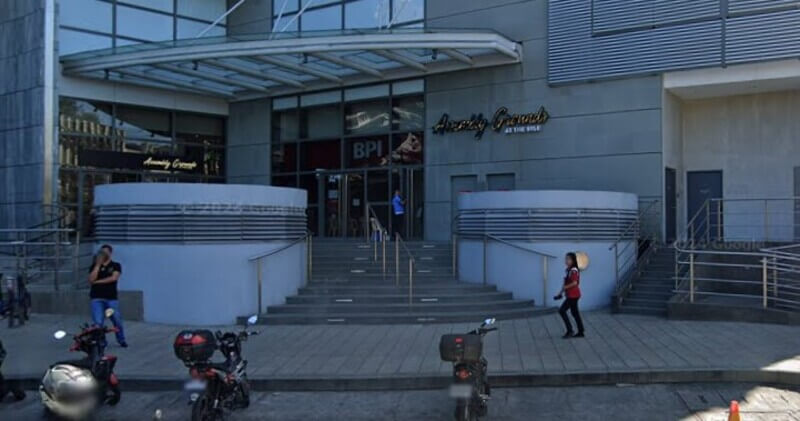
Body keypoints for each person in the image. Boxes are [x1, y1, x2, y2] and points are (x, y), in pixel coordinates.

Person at [88, 244, 127, 347]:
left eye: (105, 252)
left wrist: (97, 282)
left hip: (111, 299)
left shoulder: (115, 265)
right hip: (96, 298)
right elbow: (91, 279)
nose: (103, 254)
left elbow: (114, 278)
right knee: (98, 322)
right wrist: (97, 265)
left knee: (116, 320)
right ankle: (102, 341)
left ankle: (121, 339)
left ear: (110, 253)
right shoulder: (94, 266)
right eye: (101, 252)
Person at [554, 252, 584, 339]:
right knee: (575, 313)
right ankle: (581, 331)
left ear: (573, 260)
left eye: (568, 259)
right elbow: (565, 284)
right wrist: (560, 293)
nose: (566, 261)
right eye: (566, 259)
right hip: (572, 295)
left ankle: (570, 331)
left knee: (562, 311)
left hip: (573, 295)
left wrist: (565, 288)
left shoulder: (573, 270)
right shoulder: (569, 270)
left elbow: (574, 283)